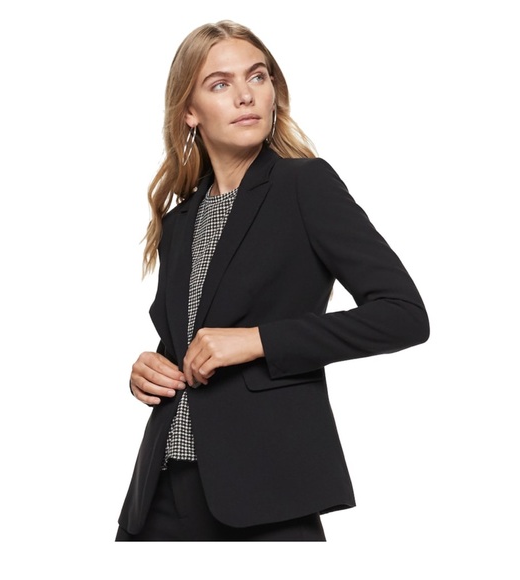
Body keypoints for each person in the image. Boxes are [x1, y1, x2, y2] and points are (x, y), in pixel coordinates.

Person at [115, 19, 429, 542]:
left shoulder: (305, 186)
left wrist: (259, 340)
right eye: (220, 84)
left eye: (257, 77)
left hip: (267, 491)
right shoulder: (179, 221)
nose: (245, 95)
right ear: (189, 111)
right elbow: (193, 339)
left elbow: (403, 315)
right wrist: (152, 368)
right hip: (162, 492)